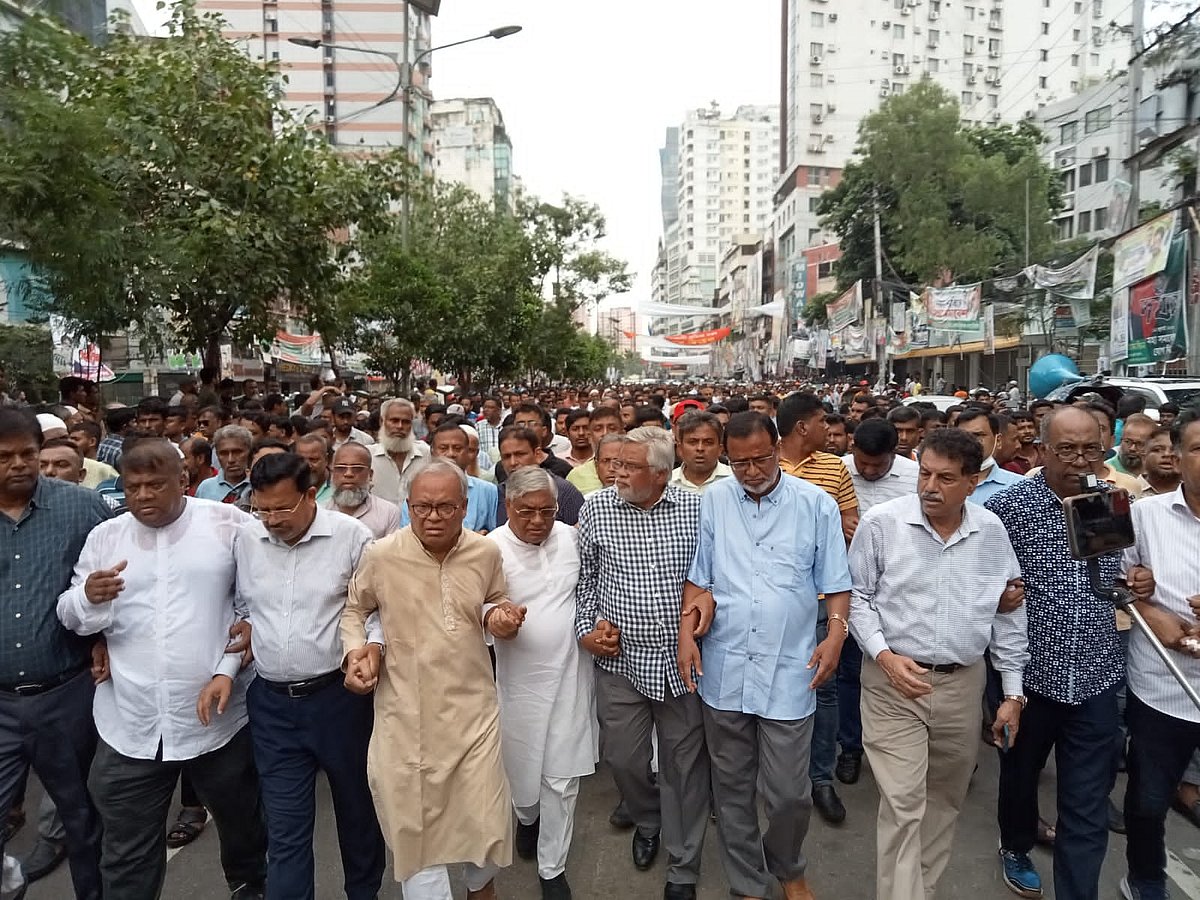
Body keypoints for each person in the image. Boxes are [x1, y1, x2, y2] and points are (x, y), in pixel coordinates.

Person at [56, 438, 267, 900]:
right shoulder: (106, 537)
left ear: (183, 480)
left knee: (245, 829)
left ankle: (250, 888)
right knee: (126, 852)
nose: (143, 496)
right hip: (131, 723)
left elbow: (253, 608)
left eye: (155, 484)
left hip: (220, 721)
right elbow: (70, 614)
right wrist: (88, 598)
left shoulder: (230, 525)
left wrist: (228, 667)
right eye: (133, 487)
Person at [848, 427, 1028, 900]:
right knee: (903, 803)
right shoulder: (882, 524)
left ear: (972, 481)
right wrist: (884, 656)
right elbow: (858, 598)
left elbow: (1009, 611)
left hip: (962, 686)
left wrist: (1012, 694)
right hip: (892, 684)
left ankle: (916, 891)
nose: (930, 486)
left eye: (945, 478)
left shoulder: (991, 531)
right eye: (924, 473)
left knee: (944, 801)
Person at [677, 412, 850, 900]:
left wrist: (835, 636)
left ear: (777, 448)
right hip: (725, 667)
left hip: (790, 670)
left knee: (789, 793)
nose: (751, 471)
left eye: (760, 459)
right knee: (731, 788)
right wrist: (687, 633)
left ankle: (788, 866)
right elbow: (699, 578)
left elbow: (837, 584)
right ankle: (747, 882)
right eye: (739, 463)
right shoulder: (713, 502)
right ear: (726, 458)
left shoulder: (815, 505)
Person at [341, 460, 523, 900]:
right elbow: (355, 610)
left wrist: (500, 617)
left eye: (445, 507)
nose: (433, 517)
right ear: (408, 506)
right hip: (406, 715)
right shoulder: (382, 555)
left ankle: (480, 890)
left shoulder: (485, 552)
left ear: (464, 507)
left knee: (484, 822)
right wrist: (355, 653)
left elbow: (494, 598)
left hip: (473, 712)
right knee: (415, 831)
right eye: (422, 507)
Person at [986, 407, 1127, 900]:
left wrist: (1135, 582)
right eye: (1066, 449)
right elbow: (985, 578)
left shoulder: (1112, 503)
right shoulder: (1010, 508)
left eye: (1090, 449)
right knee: (1020, 775)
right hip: (1030, 677)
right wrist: (997, 597)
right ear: (1042, 450)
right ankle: (1016, 845)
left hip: (1096, 675)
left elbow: (1118, 579)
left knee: (1087, 801)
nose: (1079, 460)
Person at [235, 452, 386, 900]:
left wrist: (371, 649)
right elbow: (242, 604)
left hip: (340, 701)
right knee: (285, 825)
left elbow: (378, 608)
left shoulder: (351, 537)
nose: (272, 520)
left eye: (282, 508)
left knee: (357, 809)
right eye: (262, 509)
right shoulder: (246, 539)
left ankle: (364, 892)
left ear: (310, 494)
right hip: (272, 705)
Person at [575, 426, 709, 900]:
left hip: (681, 665)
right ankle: (648, 819)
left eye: (630, 467)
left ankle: (683, 863)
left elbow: (710, 579)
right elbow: (586, 580)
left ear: (661, 473)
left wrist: (697, 622)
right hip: (621, 664)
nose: (617, 473)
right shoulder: (596, 508)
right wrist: (588, 629)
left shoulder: (696, 509)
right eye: (615, 464)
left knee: (684, 767)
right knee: (625, 759)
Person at [0, 408, 110, 900]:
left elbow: (119, 575)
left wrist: (106, 636)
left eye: (28, 454)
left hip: (66, 696)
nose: (19, 465)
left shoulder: (81, 508)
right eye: (4, 457)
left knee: (81, 818)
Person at [489, 468, 597, 900]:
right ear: (508, 506)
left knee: (562, 779)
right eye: (526, 511)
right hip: (519, 686)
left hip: (571, 675)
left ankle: (553, 869)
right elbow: (477, 607)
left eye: (547, 511)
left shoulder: (572, 539)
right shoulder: (489, 550)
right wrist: (497, 620)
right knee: (521, 774)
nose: (538, 521)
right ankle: (527, 818)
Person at [1115, 409, 1200, 899]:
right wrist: (1151, 611)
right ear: (1177, 457)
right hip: (1162, 689)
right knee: (1148, 801)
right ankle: (1145, 878)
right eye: (1198, 448)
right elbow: (1116, 584)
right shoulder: (1144, 516)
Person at [776, 392, 858, 825]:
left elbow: (849, 528)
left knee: (822, 688)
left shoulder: (834, 468)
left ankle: (820, 777)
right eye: (823, 421)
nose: (830, 428)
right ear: (802, 426)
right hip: (771, 603)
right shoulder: (763, 464)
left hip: (822, 602)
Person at [837, 418, 920, 784]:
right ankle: (851, 747)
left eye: (878, 465)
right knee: (850, 673)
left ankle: (906, 748)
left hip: (900, 592)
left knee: (903, 671)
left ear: (894, 454)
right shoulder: (838, 470)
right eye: (863, 464)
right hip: (849, 590)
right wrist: (840, 525)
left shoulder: (915, 476)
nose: (869, 471)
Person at [414, 423, 497, 533]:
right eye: (443, 448)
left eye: (457, 448)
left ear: (468, 452)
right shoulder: (416, 490)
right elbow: (410, 535)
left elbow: (496, 534)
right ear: (432, 452)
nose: (451, 454)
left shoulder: (488, 491)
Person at [495, 428, 584, 527]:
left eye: (520, 454)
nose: (513, 462)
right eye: (506, 456)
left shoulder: (564, 491)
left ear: (537, 454)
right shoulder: (496, 495)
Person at [326, 441, 400, 539]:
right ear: (332, 473)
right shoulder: (319, 510)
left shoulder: (389, 513)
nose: (348, 474)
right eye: (341, 468)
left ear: (370, 475)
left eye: (357, 469)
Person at [369, 398, 430, 507]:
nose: (400, 426)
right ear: (382, 422)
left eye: (406, 422)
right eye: (394, 421)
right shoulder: (368, 456)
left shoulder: (426, 453)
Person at [955, 409, 1023, 505]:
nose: (969, 441)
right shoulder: (937, 484)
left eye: (978, 435)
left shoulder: (1021, 487)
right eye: (963, 436)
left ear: (998, 441)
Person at [670, 410, 732, 495]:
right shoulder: (667, 483)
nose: (700, 448)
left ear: (720, 449)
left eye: (708, 442)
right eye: (692, 442)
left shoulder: (735, 480)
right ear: (680, 448)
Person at [566, 407, 624, 496]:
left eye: (612, 428)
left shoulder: (635, 471)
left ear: (623, 433)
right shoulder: (576, 476)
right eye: (598, 429)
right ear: (589, 435)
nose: (605, 433)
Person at [195, 424, 254, 506]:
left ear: (250, 452)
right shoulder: (205, 488)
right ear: (217, 455)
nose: (231, 460)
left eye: (237, 452)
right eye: (224, 453)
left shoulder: (258, 486)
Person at [1110, 413, 1156, 478]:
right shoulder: (1107, 470)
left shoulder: (1157, 472)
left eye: (1140, 444)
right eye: (1127, 442)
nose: (1132, 448)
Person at [1138, 426, 1181, 496]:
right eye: (1158, 450)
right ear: (1144, 457)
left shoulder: (1194, 493)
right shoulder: (1127, 490)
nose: (1167, 454)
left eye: (1174, 450)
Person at [294, 434, 334, 505]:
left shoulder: (338, 486)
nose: (307, 466)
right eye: (301, 460)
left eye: (313, 459)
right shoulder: (290, 486)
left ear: (326, 459)